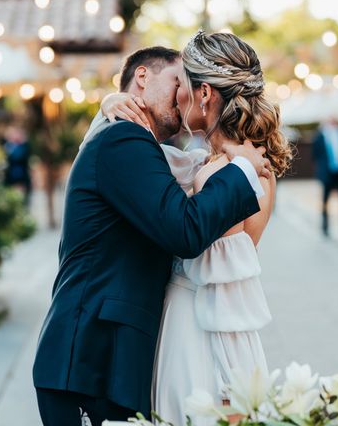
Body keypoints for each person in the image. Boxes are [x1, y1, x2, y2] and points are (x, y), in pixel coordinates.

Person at [32, 45, 270, 426]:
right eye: (177, 81)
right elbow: (184, 230)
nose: (182, 95)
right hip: (91, 362)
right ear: (142, 77)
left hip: (122, 361)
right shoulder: (122, 139)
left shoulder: (138, 145)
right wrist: (241, 168)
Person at [98, 31, 291, 425]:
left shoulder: (218, 174)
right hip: (231, 329)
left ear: (204, 94)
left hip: (196, 326)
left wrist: (221, 379)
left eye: (181, 84)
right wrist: (113, 101)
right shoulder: (248, 168)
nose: (176, 96)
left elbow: (206, 263)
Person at [3, 125, 32, 205]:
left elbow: (19, 158)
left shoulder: (23, 147)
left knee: (21, 199)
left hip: (20, 176)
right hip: (13, 177)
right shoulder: (9, 146)